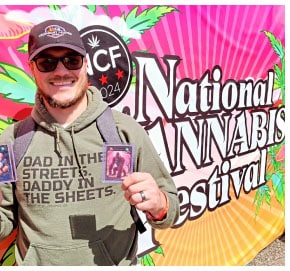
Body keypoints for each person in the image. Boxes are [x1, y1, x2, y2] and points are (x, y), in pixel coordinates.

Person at [0, 19, 180, 266]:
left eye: (71, 60)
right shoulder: (11, 142)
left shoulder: (122, 131)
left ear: (85, 64)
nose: (61, 71)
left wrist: (160, 204)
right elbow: (5, 218)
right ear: (32, 68)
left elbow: (169, 211)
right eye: (47, 62)